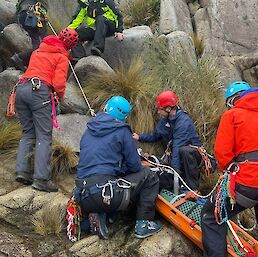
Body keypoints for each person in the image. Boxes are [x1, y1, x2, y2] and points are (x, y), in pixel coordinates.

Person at [201, 81, 258, 257]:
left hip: (249, 182)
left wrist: (228, 172)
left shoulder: (232, 115)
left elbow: (223, 153)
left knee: (212, 216)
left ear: (233, 100)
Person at [74, 96, 162, 239]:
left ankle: (99, 213)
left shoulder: (89, 130)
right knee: (149, 175)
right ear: (124, 116)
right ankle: (143, 223)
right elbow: (134, 167)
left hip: (82, 194)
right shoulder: (122, 131)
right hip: (105, 194)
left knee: (107, 179)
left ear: (106, 107)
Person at [15, 28, 79, 192]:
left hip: (21, 89)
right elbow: (58, 83)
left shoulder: (38, 50)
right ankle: (41, 179)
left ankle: (22, 171)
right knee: (44, 136)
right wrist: (60, 97)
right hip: (39, 91)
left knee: (28, 132)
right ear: (70, 47)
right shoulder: (62, 57)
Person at [133, 90, 207, 191]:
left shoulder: (183, 122)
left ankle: (192, 188)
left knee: (185, 151)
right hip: (177, 156)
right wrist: (139, 137)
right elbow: (156, 135)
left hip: (192, 157)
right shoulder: (165, 120)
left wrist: (174, 172)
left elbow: (177, 147)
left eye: (160, 109)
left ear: (168, 109)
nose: (158, 112)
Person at [11, 0, 48, 71]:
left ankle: (26, 62)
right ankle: (20, 58)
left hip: (23, 12)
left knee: (34, 41)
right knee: (41, 44)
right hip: (35, 14)